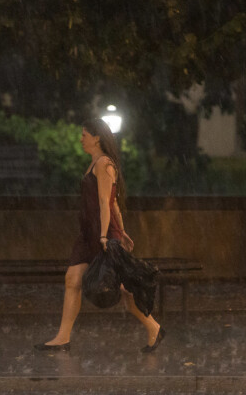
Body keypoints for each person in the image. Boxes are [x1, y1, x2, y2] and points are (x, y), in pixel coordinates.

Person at [34, 118, 165, 353]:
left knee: (124, 289)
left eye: (84, 135)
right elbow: (112, 202)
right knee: (72, 279)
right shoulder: (94, 162)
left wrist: (108, 236)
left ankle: (153, 327)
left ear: (96, 138)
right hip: (89, 234)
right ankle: (63, 338)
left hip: (100, 234)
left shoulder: (104, 163)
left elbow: (106, 203)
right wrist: (121, 230)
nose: (81, 139)